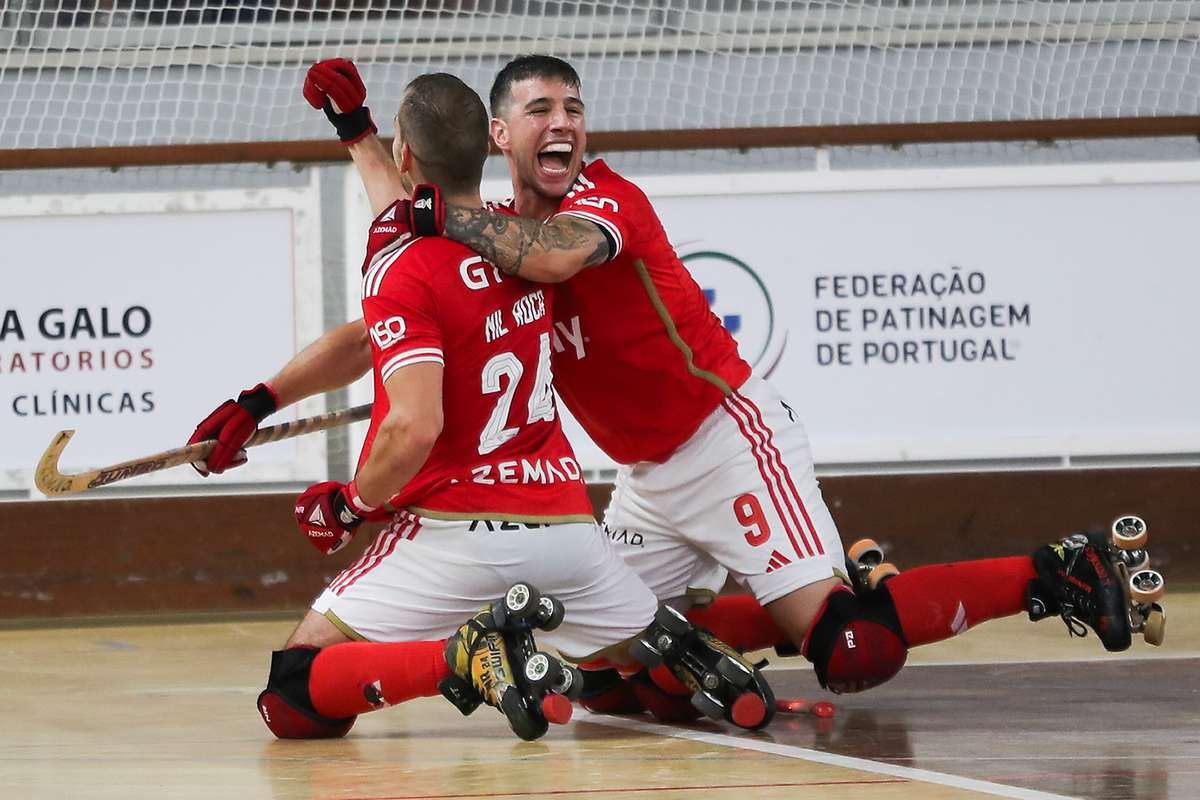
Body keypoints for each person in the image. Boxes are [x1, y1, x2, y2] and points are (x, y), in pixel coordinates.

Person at [197, 57, 1154, 725]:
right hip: (644, 478)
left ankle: (1049, 572)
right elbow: (391, 284)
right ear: (499, 134)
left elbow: (552, 257)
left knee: (854, 648)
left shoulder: (600, 202)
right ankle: (803, 587)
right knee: (620, 676)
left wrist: (411, 195)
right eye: (538, 109)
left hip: (728, 440)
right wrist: (359, 138)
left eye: (572, 107)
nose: (561, 122)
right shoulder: (476, 227)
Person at [215, 72, 773, 743]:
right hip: (569, 535)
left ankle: (461, 654)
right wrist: (354, 130)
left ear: (405, 155)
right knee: (649, 684)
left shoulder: (401, 264)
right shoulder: (520, 242)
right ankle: (679, 652)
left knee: (293, 696)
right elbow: (386, 304)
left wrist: (350, 505)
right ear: (487, 147)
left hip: (454, 534)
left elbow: (413, 425)